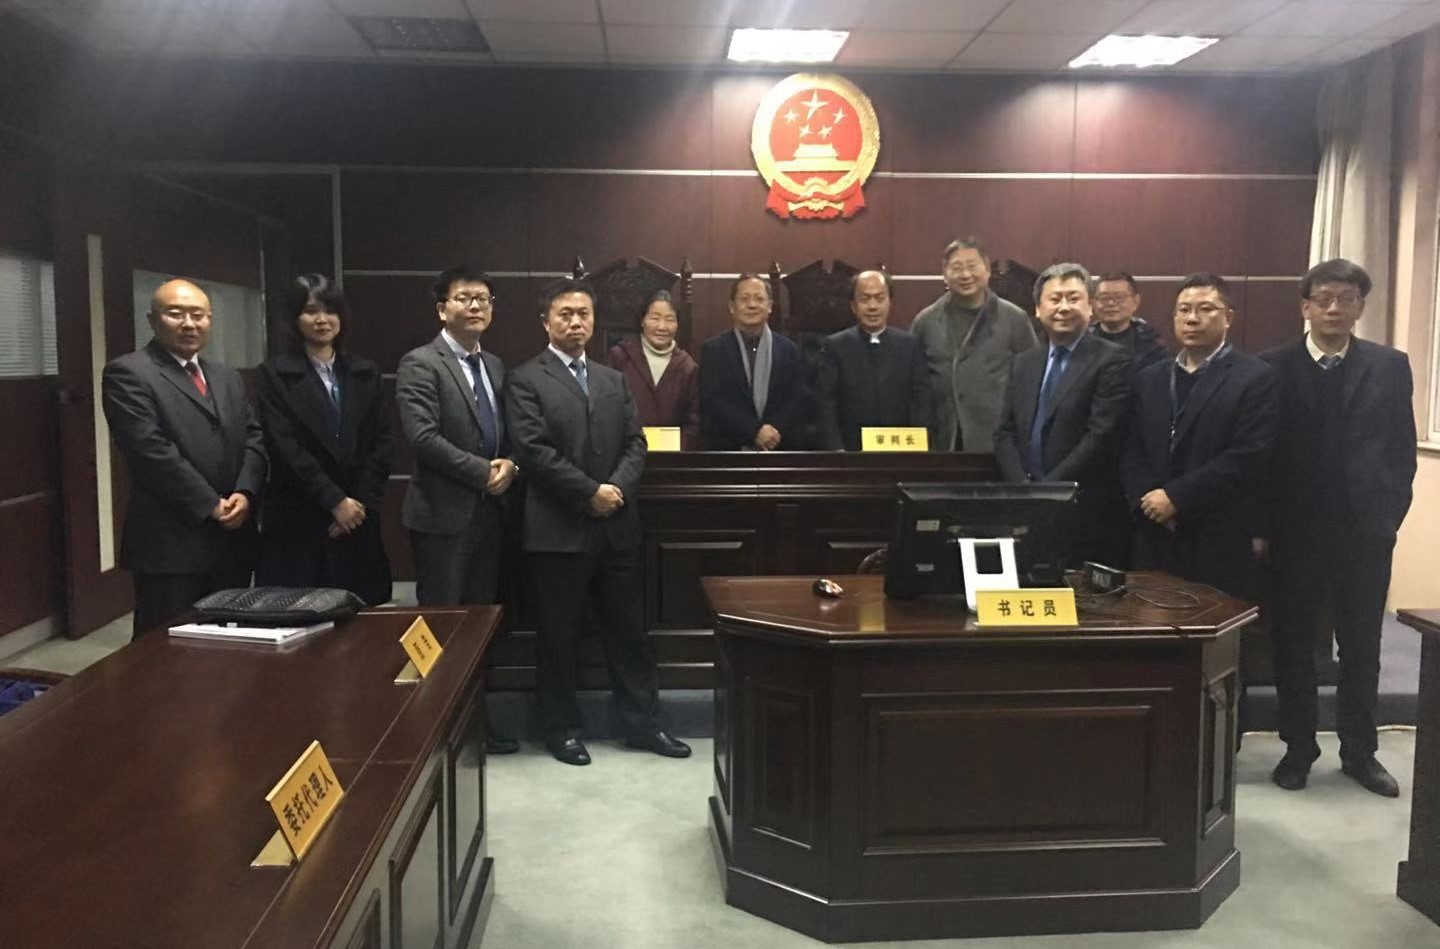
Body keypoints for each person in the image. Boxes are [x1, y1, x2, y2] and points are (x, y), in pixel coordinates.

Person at [506, 277, 689, 766]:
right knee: (559, 636)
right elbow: (534, 451)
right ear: (545, 321)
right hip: (557, 529)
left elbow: (635, 443)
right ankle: (560, 728)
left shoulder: (613, 378)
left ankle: (643, 724)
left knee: (629, 633)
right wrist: (589, 493)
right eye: (565, 314)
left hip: (616, 526)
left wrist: (615, 491)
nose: (575, 322)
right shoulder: (525, 379)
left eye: (583, 314)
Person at [1259, 259, 1417, 797]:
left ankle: (1359, 752)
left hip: (1363, 533)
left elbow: (1401, 450)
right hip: (1294, 533)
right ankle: (1298, 749)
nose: (1333, 308)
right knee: (1294, 646)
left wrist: (1389, 516)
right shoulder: (1271, 367)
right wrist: (1262, 527)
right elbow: (1261, 455)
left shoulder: (1389, 366)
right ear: (1305, 307)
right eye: (1323, 298)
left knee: (1362, 646)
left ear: (1359, 307)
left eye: (1345, 299)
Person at [397, 266, 520, 754]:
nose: (475, 306)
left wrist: (510, 463)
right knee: (440, 627)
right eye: (464, 297)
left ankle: (475, 723)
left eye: (483, 299)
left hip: (490, 515)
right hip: (442, 518)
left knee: (478, 626)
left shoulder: (495, 366)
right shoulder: (420, 363)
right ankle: (435, 732)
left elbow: (508, 432)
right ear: (442, 309)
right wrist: (482, 471)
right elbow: (423, 438)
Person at [102, 278, 266, 638]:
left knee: (233, 645)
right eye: (176, 314)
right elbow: (150, 452)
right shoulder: (129, 373)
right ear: (152, 320)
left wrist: (245, 492)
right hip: (171, 546)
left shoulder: (226, 376)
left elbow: (254, 436)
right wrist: (210, 505)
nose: (189, 323)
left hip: (233, 540)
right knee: (165, 651)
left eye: (198, 315)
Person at [1120, 273, 1277, 599]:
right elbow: (1131, 448)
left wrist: (1176, 498)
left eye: (1205, 309)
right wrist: (1148, 501)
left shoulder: (1255, 377)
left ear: (1228, 317)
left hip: (1217, 531)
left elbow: (1248, 455)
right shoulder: (1150, 377)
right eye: (1184, 310)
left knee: (1214, 625)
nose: (1192, 318)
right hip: (1155, 532)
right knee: (1149, 621)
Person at [256, 274, 392, 605]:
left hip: (357, 518)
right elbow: (285, 447)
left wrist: (356, 505)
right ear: (294, 318)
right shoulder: (275, 374)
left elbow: (382, 442)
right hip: (301, 517)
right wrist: (334, 502)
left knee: (361, 615)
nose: (322, 319)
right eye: (311, 311)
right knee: (299, 614)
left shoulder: (365, 372)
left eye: (330, 310)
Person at [993, 262, 1132, 568]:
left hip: (1083, 506)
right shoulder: (1024, 362)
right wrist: (1022, 486)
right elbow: (1005, 432)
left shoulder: (1112, 359)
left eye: (1073, 298)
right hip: (1025, 504)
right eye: (1055, 299)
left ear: (1090, 307)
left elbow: (1101, 436)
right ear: (1038, 309)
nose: (1064, 307)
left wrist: (1049, 489)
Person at [911, 237, 1039, 452]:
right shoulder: (926, 321)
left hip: (996, 441)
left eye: (972, 266)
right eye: (957, 268)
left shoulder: (1014, 318)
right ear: (945, 275)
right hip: (941, 439)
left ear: (987, 270)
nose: (965, 275)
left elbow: (1031, 379)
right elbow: (914, 383)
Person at [815, 270, 930, 451]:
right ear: (853, 306)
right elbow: (825, 403)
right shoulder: (835, 347)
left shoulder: (910, 345)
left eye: (879, 298)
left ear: (889, 302)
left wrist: (919, 445)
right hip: (851, 450)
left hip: (900, 448)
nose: (872, 306)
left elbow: (922, 400)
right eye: (865, 299)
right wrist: (837, 450)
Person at [698, 274, 805, 450]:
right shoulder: (714, 350)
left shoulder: (789, 350)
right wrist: (755, 431)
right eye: (744, 299)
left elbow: (796, 399)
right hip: (729, 450)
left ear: (770, 306)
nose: (752, 305)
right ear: (732, 307)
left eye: (759, 299)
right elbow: (712, 402)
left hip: (779, 448)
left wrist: (771, 434)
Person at [603, 289, 701, 449]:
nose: (662, 327)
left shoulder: (688, 368)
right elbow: (606, 410)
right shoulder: (619, 357)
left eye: (669, 319)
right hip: (625, 453)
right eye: (655, 318)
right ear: (642, 320)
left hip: (673, 457)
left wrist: (676, 448)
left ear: (677, 324)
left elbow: (695, 421)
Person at [1090, 272, 1170, 372]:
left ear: (1135, 301)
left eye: (1119, 297)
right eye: (1104, 298)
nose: (1111, 303)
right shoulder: (1082, 341)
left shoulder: (1151, 344)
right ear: (1093, 303)